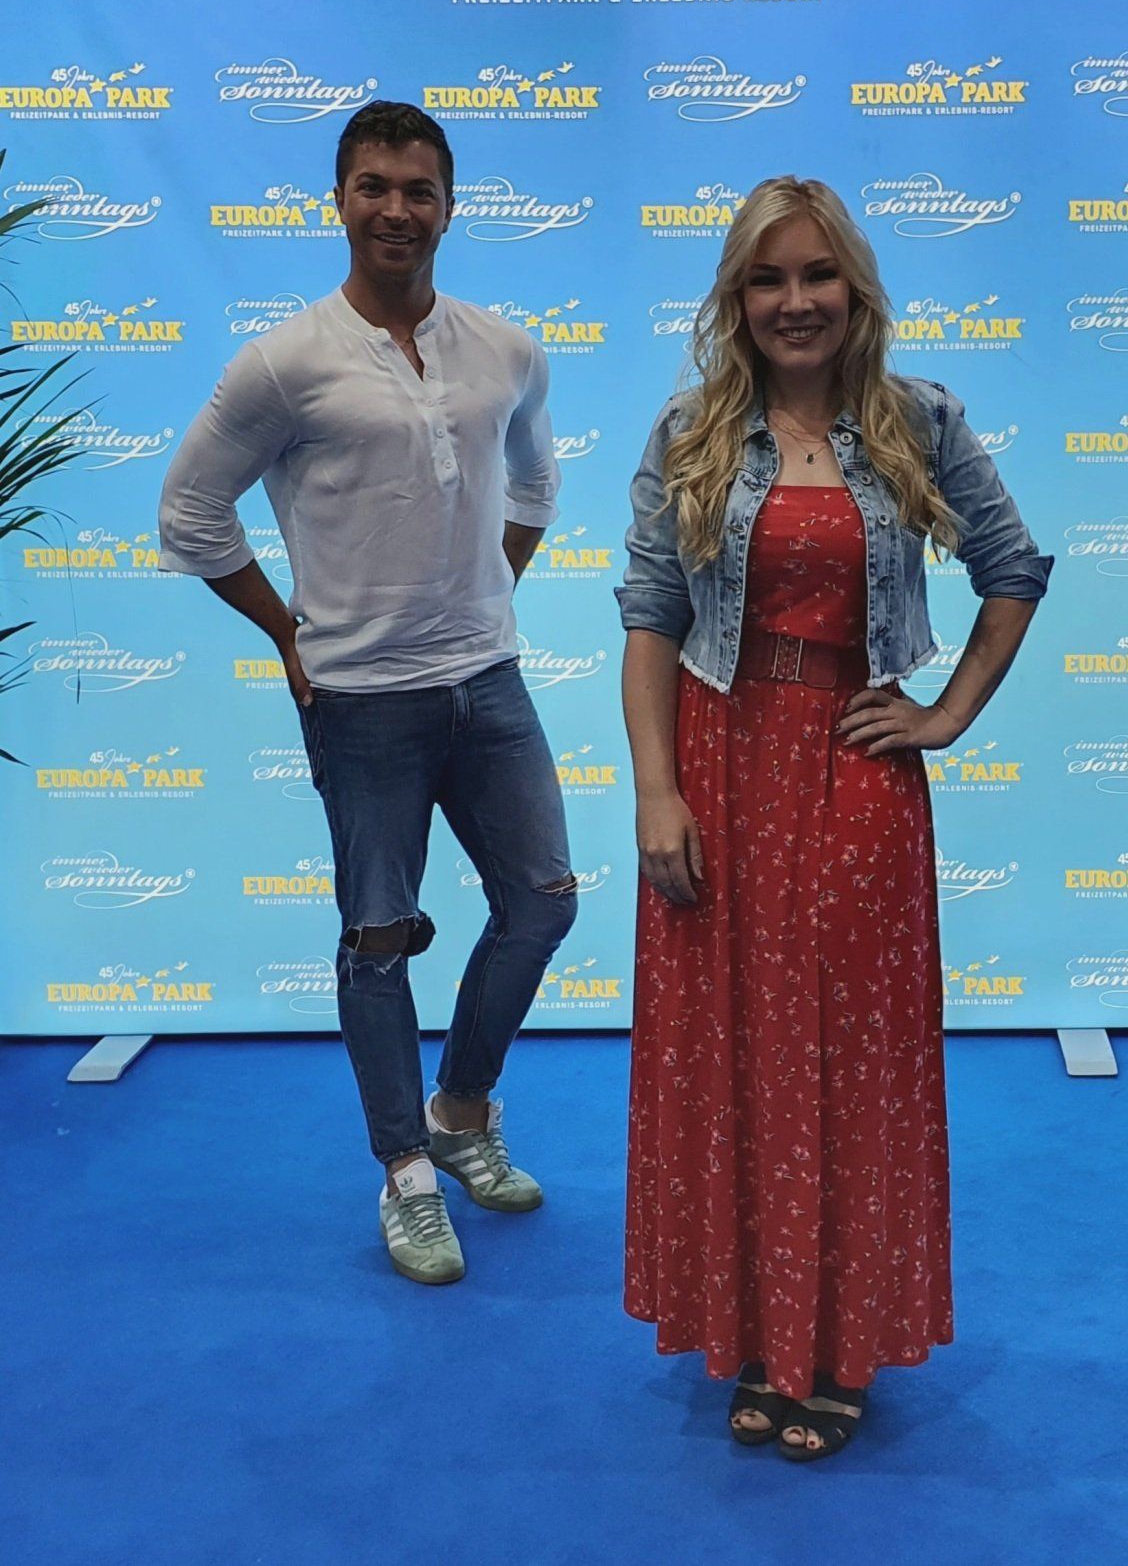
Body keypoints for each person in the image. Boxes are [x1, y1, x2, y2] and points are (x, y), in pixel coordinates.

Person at [617, 175, 1050, 1461]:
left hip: (857, 771)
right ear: (735, 299)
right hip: (718, 763)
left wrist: (947, 712)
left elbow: (1014, 569)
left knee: (852, 1060)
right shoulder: (690, 431)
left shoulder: (921, 421)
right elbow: (651, 618)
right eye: (768, 279)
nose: (794, 301)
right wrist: (655, 788)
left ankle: (840, 1345)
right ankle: (758, 1338)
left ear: (855, 291)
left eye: (817, 276)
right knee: (728, 1055)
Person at [158, 100, 576, 1286]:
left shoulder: (507, 349)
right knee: (378, 939)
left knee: (543, 903)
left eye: (418, 189)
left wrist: (485, 594)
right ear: (338, 202)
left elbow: (536, 483)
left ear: (450, 206)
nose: (397, 208)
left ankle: (461, 1114)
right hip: (360, 702)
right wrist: (286, 633)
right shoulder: (284, 363)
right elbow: (188, 511)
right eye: (374, 187)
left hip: (489, 683)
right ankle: (404, 1173)